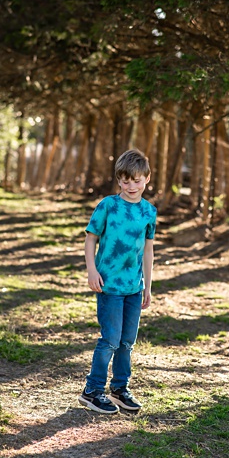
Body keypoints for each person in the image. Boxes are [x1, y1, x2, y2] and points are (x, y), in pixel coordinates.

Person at [78, 149, 156, 415]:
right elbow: (91, 238)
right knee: (110, 339)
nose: (131, 186)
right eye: (125, 180)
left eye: (136, 180)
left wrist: (148, 286)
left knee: (126, 342)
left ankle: (119, 389)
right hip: (109, 285)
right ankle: (92, 390)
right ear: (119, 180)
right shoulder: (108, 206)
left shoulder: (149, 211)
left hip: (134, 288)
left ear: (147, 178)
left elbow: (148, 250)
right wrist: (91, 270)